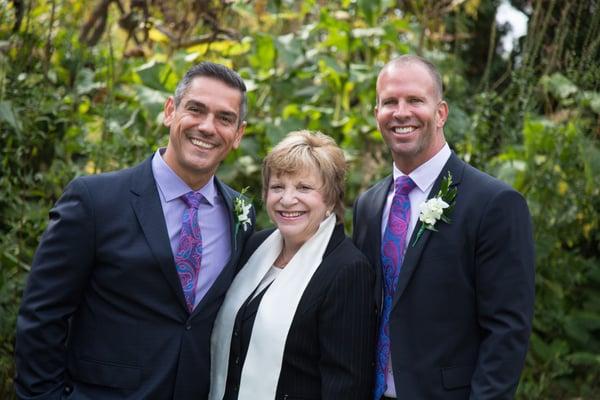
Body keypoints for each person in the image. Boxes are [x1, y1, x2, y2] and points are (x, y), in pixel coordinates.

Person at [15, 61, 255, 399]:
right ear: (170, 111)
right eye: (195, 110)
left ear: (238, 134)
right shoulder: (94, 201)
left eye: (224, 118)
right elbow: (41, 318)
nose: (207, 127)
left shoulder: (240, 215)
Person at [353, 55, 535, 399]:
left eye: (415, 100)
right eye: (389, 102)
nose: (401, 112)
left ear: (441, 113)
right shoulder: (368, 206)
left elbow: (507, 332)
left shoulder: (494, 204)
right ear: (377, 113)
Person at [209, 130, 376, 400]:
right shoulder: (254, 247)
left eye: (304, 188)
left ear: (331, 199)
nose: (287, 199)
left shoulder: (347, 270)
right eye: (277, 187)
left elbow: (346, 386)